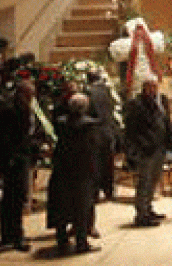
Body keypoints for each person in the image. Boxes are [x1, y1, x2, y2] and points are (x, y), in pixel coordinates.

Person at [0, 80, 44, 252]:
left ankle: (10, 234)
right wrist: (12, 158)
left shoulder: (23, 108)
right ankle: (15, 236)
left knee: (14, 199)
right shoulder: (11, 110)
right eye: (30, 94)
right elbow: (5, 137)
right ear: (22, 94)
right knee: (14, 199)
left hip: (21, 157)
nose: (32, 98)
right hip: (14, 160)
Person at [46, 92, 101, 254]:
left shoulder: (60, 123)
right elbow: (92, 150)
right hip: (82, 172)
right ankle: (81, 242)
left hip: (62, 169)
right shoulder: (89, 125)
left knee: (62, 206)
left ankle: (62, 240)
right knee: (82, 207)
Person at [121, 75, 172, 228]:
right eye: (150, 86)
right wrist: (137, 147)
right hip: (145, 150)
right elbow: (131, 129)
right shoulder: (136, 104)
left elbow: (166, 121)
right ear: (144, 87)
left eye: (155, 86)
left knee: (154, 180)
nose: (153, 89)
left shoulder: (162, 101)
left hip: (160, 147)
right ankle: (141, 214)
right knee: (145, 182)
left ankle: (149, 208)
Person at [85, 68, 119, 202]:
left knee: (96, 164)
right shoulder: (106, 91)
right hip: (108, 131)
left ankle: (95, 193)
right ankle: (109, 191)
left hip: (96, 132)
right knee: (108, 164)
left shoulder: (89, 92)